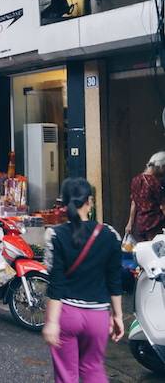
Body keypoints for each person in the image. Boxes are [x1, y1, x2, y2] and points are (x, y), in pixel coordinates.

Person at [43, 177, 124, 383]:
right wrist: (118, 316)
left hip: (67, 315)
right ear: (90, 201)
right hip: (98, 315)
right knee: (93, 369)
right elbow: (114, 280)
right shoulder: (110, 235)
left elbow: (56, 284)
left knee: (66, 376)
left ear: (64, 203)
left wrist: (52, 322)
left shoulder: (55, 235)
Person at [126, 151, 165, 242]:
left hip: (140, 225)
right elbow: (163, 206)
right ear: (160, 167)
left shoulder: (135, 180)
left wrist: (130, 223)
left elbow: (134, 203)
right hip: (155, 225)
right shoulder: (156, 182)